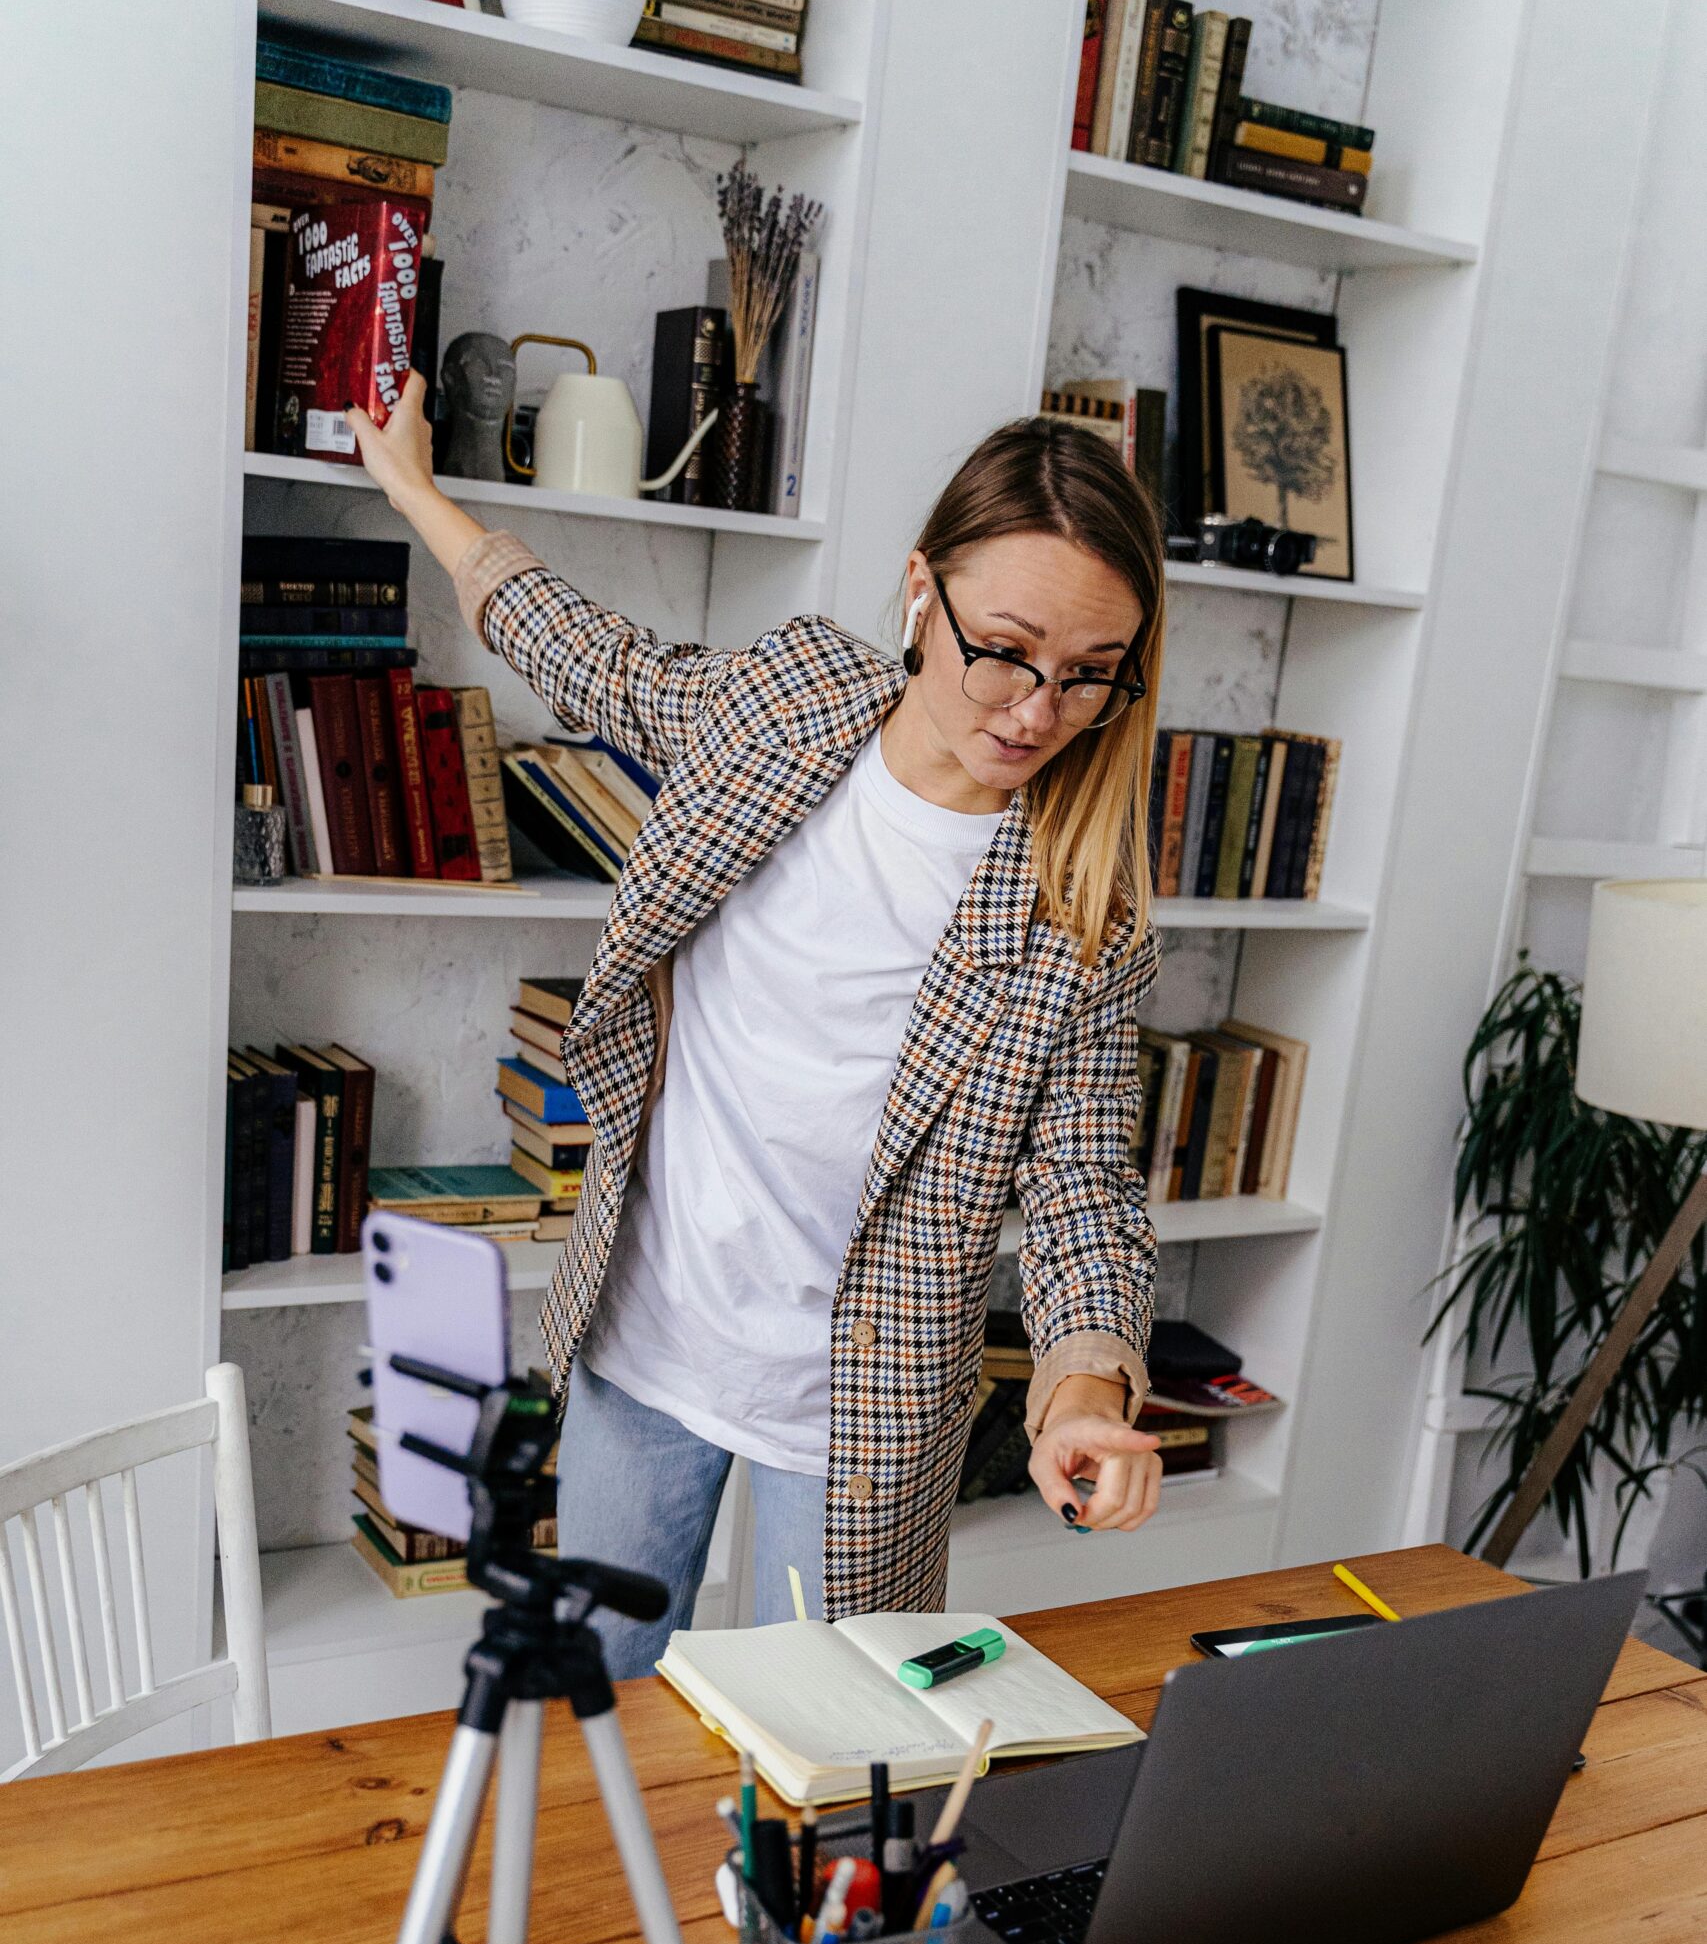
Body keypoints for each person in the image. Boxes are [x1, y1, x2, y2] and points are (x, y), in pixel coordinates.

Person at [350, 373, 1169, 1675]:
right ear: (922, 589)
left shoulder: (1085, 910)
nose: (1034, 710)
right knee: (599, 1709)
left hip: (856, 1409)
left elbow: (1080, 1187)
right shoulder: (786, 705)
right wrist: (416, 492)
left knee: (829, 1774)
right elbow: (591, 654)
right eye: (1004, 649)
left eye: (1088, 679)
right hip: (647, 1335)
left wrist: (1085, 1389)